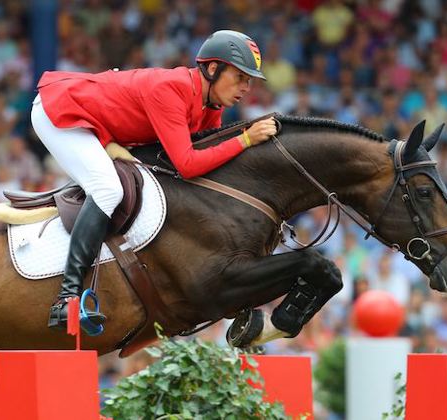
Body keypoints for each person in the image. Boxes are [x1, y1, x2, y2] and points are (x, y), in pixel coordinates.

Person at [32, 30, 278, 331]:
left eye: (249, 80)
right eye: (240, 77)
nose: (246, 87)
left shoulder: (211, 106)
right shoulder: (171, 88)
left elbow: (207, 167)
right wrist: (245, 140)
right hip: (61, 112)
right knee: (108, 189)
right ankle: (66, 298)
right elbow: (188, 165)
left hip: (98, 123)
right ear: (213, 69)